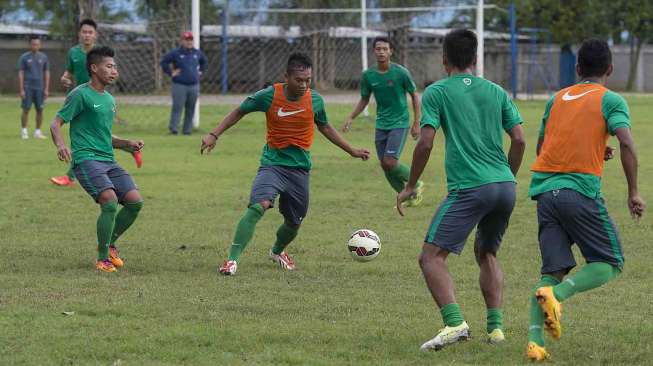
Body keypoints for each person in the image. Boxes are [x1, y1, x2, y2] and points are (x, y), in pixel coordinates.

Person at [396, 29, 526, 350]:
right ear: (475, 59)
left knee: (430, 258)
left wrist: (411, 184)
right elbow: (520, 139)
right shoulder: (496, 91)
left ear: (444, 60)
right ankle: (496, 330)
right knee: (487, 253)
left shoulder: (438, 92)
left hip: (470, 187)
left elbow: (425, 142)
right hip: (504, 185)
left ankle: (454, 323)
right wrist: (507, 176)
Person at [525, 39, 645, 362]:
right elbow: (628, 145)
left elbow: (543, 147)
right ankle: (557, 296)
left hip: (545, 194)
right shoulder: (611, 100)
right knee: (610, 262)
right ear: (610, 69)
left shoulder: (556, 99)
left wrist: (593, 148)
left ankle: (535, 344)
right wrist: (633, 191)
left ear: (577, 69)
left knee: (552, 270)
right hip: (578, 192)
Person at [201, 53, 370, 276]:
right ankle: (231, 260)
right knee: (257, 205)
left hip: (300, 170)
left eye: (308, 80)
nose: (303, 85)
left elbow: (325, 127)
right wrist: (214, 134)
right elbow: (239, 111)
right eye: (299, 80)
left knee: (294, 222)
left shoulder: (315, 100)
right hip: (273, 165)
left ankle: (277, 251)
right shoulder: (269, 96)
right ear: (286, 77)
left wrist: (352, 151)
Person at [50, 46, 145, 273]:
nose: (114, 71)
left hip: (108, 160)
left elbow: (105, 136)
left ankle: (109, 243)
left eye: (115, 66)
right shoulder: (79, 94)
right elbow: (56, 123)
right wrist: (62, 145)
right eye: (109, 66)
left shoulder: (110, 99)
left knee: (134, 202)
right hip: (86, 160)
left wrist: (127, 144)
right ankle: (102, 258)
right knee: (109, 202)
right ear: (94, 68)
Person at [342, 36, 424, 206]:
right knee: (385, 165)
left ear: (391, 52)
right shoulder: (368, 75)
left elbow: (414, 95)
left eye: (385, 49)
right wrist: (351, 117)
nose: (381, 52)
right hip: (381, 124)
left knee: (390, 162)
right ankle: (409, 196)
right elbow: (364, 99)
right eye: (378, 49)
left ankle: (416, 182)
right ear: (374, 51)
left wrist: (417, 122)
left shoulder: (401, 72)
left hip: (399, 123)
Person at [50, 18, 98, 187]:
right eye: (84, 32)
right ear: (79, 34)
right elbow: (69, 72)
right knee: (87, 138)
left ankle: (70, 177)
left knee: (90, 138)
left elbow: (113, 73)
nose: (87, 35)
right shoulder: (73, 52)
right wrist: (64, 78)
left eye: (90, 32)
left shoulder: (100, 54)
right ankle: (130, 148)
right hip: (78, 98)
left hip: (96, 99)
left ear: (95, 35)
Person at [160, 31, 207, 135]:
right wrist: (171, 72)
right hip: (179, 84)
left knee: (191, 108)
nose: (189, 42)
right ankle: (174, 129)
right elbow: (164, 62)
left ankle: (187, 130)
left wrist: (200, 72)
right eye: (186, 40)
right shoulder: (176, 53)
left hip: (194, 85)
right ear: (182, 41)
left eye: (190, 40)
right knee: (178, 107)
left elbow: (204, 62)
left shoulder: (197, 53)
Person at [18, 35, 50, 140]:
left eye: (37, 44)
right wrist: (21, 89)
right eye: (33, 44)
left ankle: (37, 131)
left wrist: (46, 89)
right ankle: (24, 131)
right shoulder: (24, 57)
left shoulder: (44, 57)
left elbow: (46, 73)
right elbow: (21, 73)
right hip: (27, 87)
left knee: (40, 110)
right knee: (26, 109)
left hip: (39, 88)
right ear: (30, 45)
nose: (35, 46)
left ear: (40, 45)